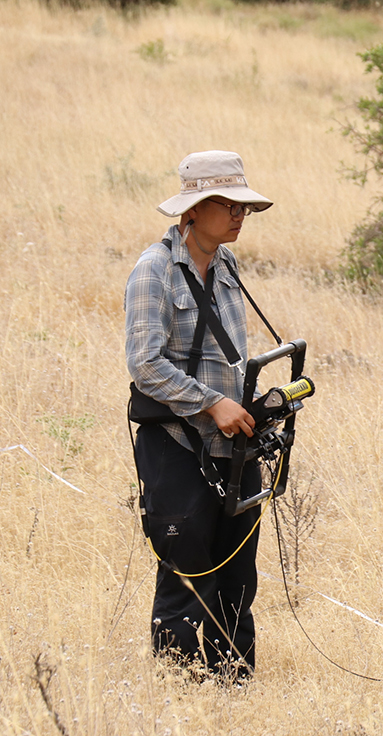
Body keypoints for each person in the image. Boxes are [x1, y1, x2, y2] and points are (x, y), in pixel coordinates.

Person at [125, 150, 274, 680]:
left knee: (237, 575)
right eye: (229, 205)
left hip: (234, 445)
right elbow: (144, 365)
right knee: (189, 575)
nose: (239, 216)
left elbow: (227, 357)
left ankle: (234, 686)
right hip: (178, 445)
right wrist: (212, 403)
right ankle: (181, 698)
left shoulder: (228, 264)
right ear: (193, 209)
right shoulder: (153, 272)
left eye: (244, 207)